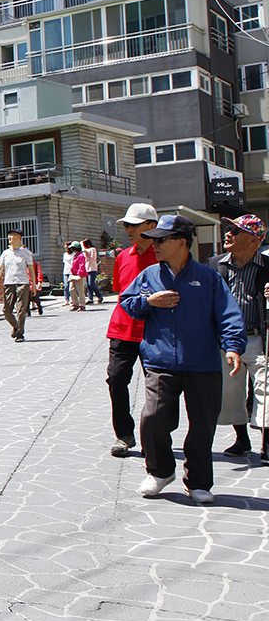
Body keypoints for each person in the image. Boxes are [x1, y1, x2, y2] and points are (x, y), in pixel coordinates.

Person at [120, 214, 245, 505]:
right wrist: (148, 302)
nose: (154, 245)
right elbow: (128, 303)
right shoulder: (149, 275)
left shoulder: (209, 277)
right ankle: (160, 471)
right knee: (153, 420)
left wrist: (233, 347)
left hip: (203, 363)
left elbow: (228, 314)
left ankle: (198, 482)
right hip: (160, 362)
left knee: (202, 425)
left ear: (181, 242)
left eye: (161, 240)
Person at [105, 203, 160, 457]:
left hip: (155, 332)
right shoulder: (122, 257)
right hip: (122, 329)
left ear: (151, 226)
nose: (129, 230)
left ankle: (155, 435)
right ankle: (124, 435)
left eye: (134, 225)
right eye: (126, 225)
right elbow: (120, 290)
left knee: (158, 386)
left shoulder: (164, 256)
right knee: (116, 379)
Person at [212, 215, 268, 459]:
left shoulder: (267, 266)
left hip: (259, 339)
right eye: (229, 228)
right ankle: (242, 439)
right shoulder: (215, 264)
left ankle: (267, 443)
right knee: (231, 392)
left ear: (255, 240)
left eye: (235, 230)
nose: (228, 233)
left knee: (265, 389)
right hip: (226, 340)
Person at [0, 229, 34, 342]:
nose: (10, 237)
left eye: (13, 235)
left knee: (21, 309)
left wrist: (34, 285)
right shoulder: (5, 253)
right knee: (6, 310)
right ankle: (16, 326)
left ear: (19, 238)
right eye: (9, 235)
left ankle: (20, 334)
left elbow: (31, 269)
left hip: (23, 283)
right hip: (9, 283)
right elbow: (0, 268)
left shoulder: (26, 252)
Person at [68, 242, 88, 311]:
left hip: (80, 275)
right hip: (73, 275)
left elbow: (81, 265)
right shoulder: (75, 256)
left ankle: (82, 305)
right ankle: (75, 304)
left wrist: (79, 274)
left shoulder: (81, 256)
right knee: (71, 289)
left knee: (80, 290)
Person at [83, 238, 103, 305]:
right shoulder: (85, 251)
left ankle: (99, 295)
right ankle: (90, 298)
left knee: (91, 283)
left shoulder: (93, 249)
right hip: (86, 268)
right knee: (88, 285)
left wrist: (86, 253)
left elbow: (92, 258)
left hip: (92, 268)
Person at [60, 242, 76, 309]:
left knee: (72, 287)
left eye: (66, 246)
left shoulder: (74, 254)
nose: (65, 248)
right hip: (66, 271)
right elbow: (64, 263)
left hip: (72, 272)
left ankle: (73, 299)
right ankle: (66, 299)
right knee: (66, 286)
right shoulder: (65, 254)